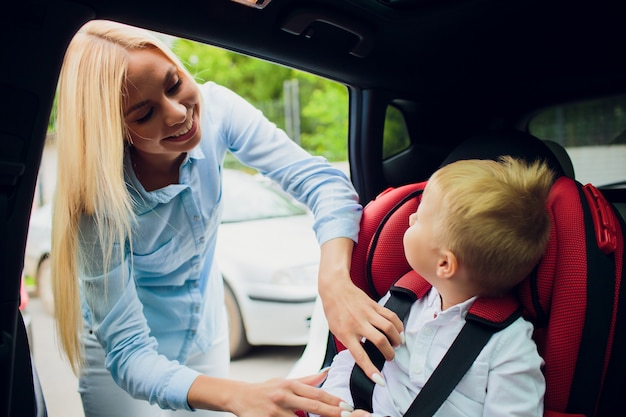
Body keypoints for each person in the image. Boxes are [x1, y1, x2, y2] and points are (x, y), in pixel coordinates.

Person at [51, 19, 403, 417]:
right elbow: (130, 353)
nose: (178, 112)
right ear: (115, 129)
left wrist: (335, 281)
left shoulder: (217, 107)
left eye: (173, 83)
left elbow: (324, 183)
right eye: (144, 113)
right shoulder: (97, 205)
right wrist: (238, 395)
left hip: (206, 333)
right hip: (127, 363)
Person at [315, 156, 553, 417]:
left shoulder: (508, 347)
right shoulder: (401, 301)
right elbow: (353, 361)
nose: (412, 217)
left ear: (444, 263)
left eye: (422, 217)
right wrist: (338, 407)